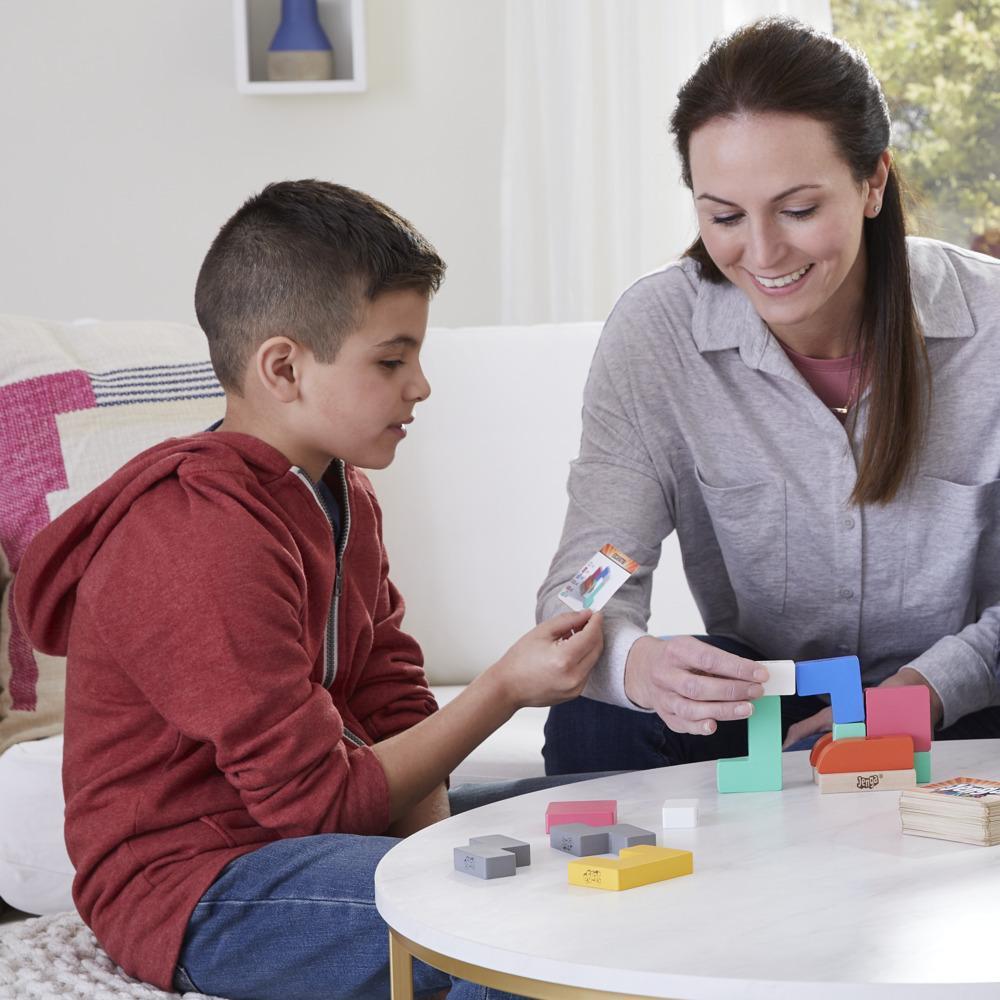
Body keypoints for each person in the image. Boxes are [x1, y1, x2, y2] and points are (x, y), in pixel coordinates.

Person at [14, 180, 605, 1000]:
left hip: (331, 835)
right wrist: (505, 688)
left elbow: (391, 694)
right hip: (201, 884)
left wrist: (438, 850)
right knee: (513, 925)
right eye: (392, 361)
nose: (422, 386)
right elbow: (318, 806)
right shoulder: (190, 540)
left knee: (613, 818)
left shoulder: (342, 492)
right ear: (284, 367)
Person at [537, 16, 1000, 776]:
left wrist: (926, 690)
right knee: (595, 711)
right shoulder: (658, 334)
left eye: (797, 210)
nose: (760, 252)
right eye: (723, 216)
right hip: (770, 712)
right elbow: (586, 583)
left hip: (964, 701)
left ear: (873, 181)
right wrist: (635, 662)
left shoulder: (990, 324)